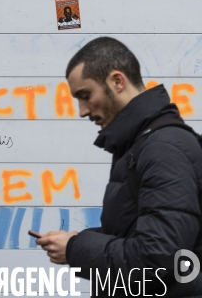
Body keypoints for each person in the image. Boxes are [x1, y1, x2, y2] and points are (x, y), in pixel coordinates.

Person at [37, 36, 202, 297]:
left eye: (85, 95)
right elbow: (140, 234)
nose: (81, 110)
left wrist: (75, 249)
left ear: (117, 81)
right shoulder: (141, 143)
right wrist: (76, 241)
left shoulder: (163, 148)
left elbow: (158, 260)